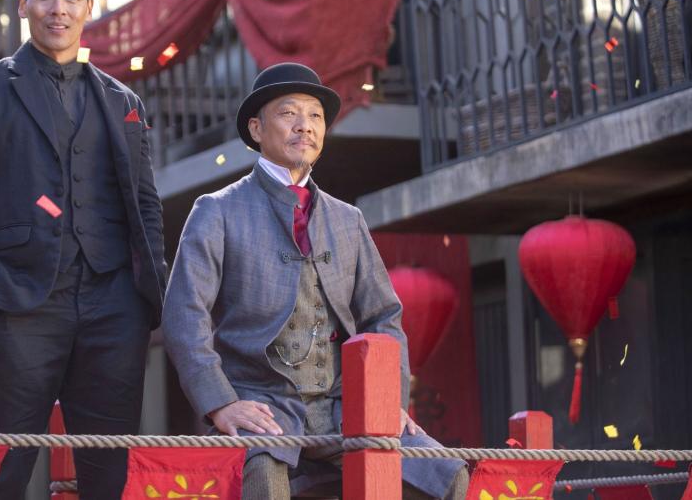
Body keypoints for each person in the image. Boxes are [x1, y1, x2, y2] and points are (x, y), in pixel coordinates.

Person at [162, 63, 469, 500]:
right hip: (261, 406)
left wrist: (388, 402)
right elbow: (184, 315)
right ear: (256, 128)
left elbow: (383, 316)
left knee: (446, 475)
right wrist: (221, 403)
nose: (304, 126)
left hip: (347, 409)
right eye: (289, 113)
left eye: (315, 116)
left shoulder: (348, 219)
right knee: (263, 475)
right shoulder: (217, 210)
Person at [0, 0, 167, 500]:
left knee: (110, 477)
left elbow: (145, 204)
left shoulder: (123, 100)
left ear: (88, 6)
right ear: (23, 4)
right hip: (20, 299)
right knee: (3, 471)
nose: (57, 9)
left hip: (114, 304)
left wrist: (148, 294)